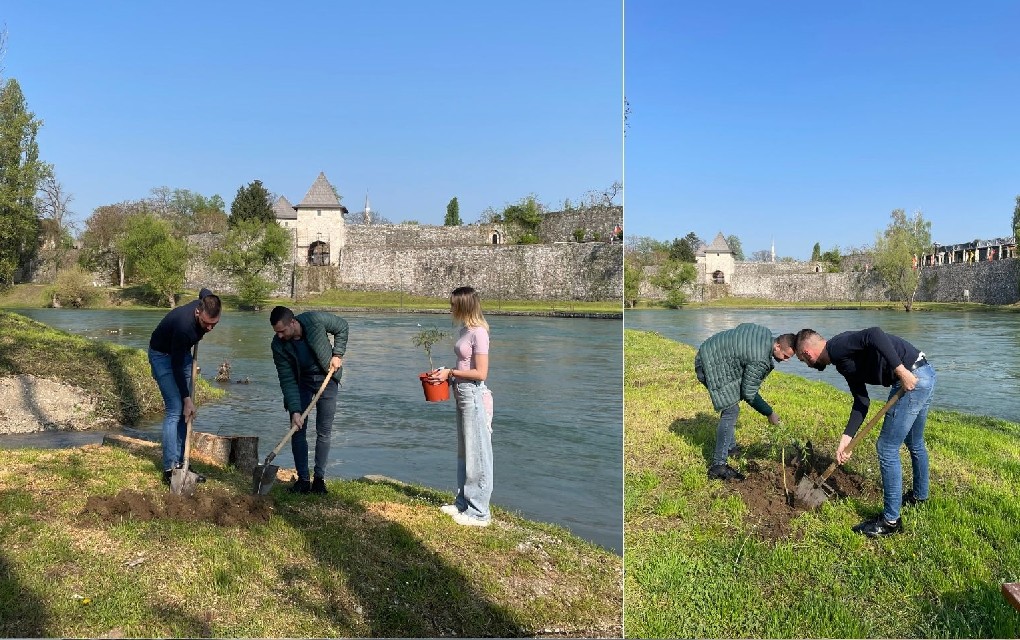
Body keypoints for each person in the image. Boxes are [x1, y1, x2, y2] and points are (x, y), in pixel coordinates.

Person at [794, 327, 936, 537]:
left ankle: (890, 521)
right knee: (914, 442)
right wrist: (846, 438)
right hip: (924, 374)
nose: (806, 364)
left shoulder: (838, 346)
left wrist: (901, 371)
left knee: (887, 448)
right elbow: (862, 401)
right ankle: (919, 497)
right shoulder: (841, 360)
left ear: (807, 353)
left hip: (912, 377)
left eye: (802, 360)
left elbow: (875, 334)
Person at [693, 323, 795, 481]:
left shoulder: (765, 333)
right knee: (731, 411)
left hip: (710, 351)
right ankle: (718, 466)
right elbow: (749, 393)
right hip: (708, 364)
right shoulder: (761, 359)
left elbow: (743, 327)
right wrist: (769, 412)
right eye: (785, 356)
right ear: (777, 345)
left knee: (731, 403)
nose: (786, 360)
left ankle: (731, 448)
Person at [428, 286, 494, 527]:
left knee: (478, 452)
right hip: (461, 392)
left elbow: (481, 372)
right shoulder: (465, 329)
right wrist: (447, 374)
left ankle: (479, 513)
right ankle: (463, 503)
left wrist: (451, 372)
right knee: (465, 451)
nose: (450, 308)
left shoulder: (479, 333)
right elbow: (464, 364)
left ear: (463, 305)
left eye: (453, 304)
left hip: (473, 394)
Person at [269, 306, 348, 494]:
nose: (279, 335)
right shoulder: (278, 345)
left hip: (327, 378)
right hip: (300, 383)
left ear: (293, 322)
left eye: (282, 331)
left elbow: (342, 326)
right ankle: (303, 480)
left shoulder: (315, 320)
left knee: (324, 431)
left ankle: (319, 480)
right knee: (297, 428)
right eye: (276, 332)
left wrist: (337, 354)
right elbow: (287, 379)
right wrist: (295, 410)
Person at [148, 288, 222, 484]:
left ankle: (182, 462)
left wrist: (209, 296)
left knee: (186, 413)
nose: (209, 329)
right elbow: (177, 366)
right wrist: (187, 398)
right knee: (176, 409)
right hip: (163, 356)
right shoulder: (183, 327)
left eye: (214, 324)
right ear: (198, 312)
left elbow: (204, 291)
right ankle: (170, 468)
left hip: (181, 352)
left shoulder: (206, 303)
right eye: (206, 324)